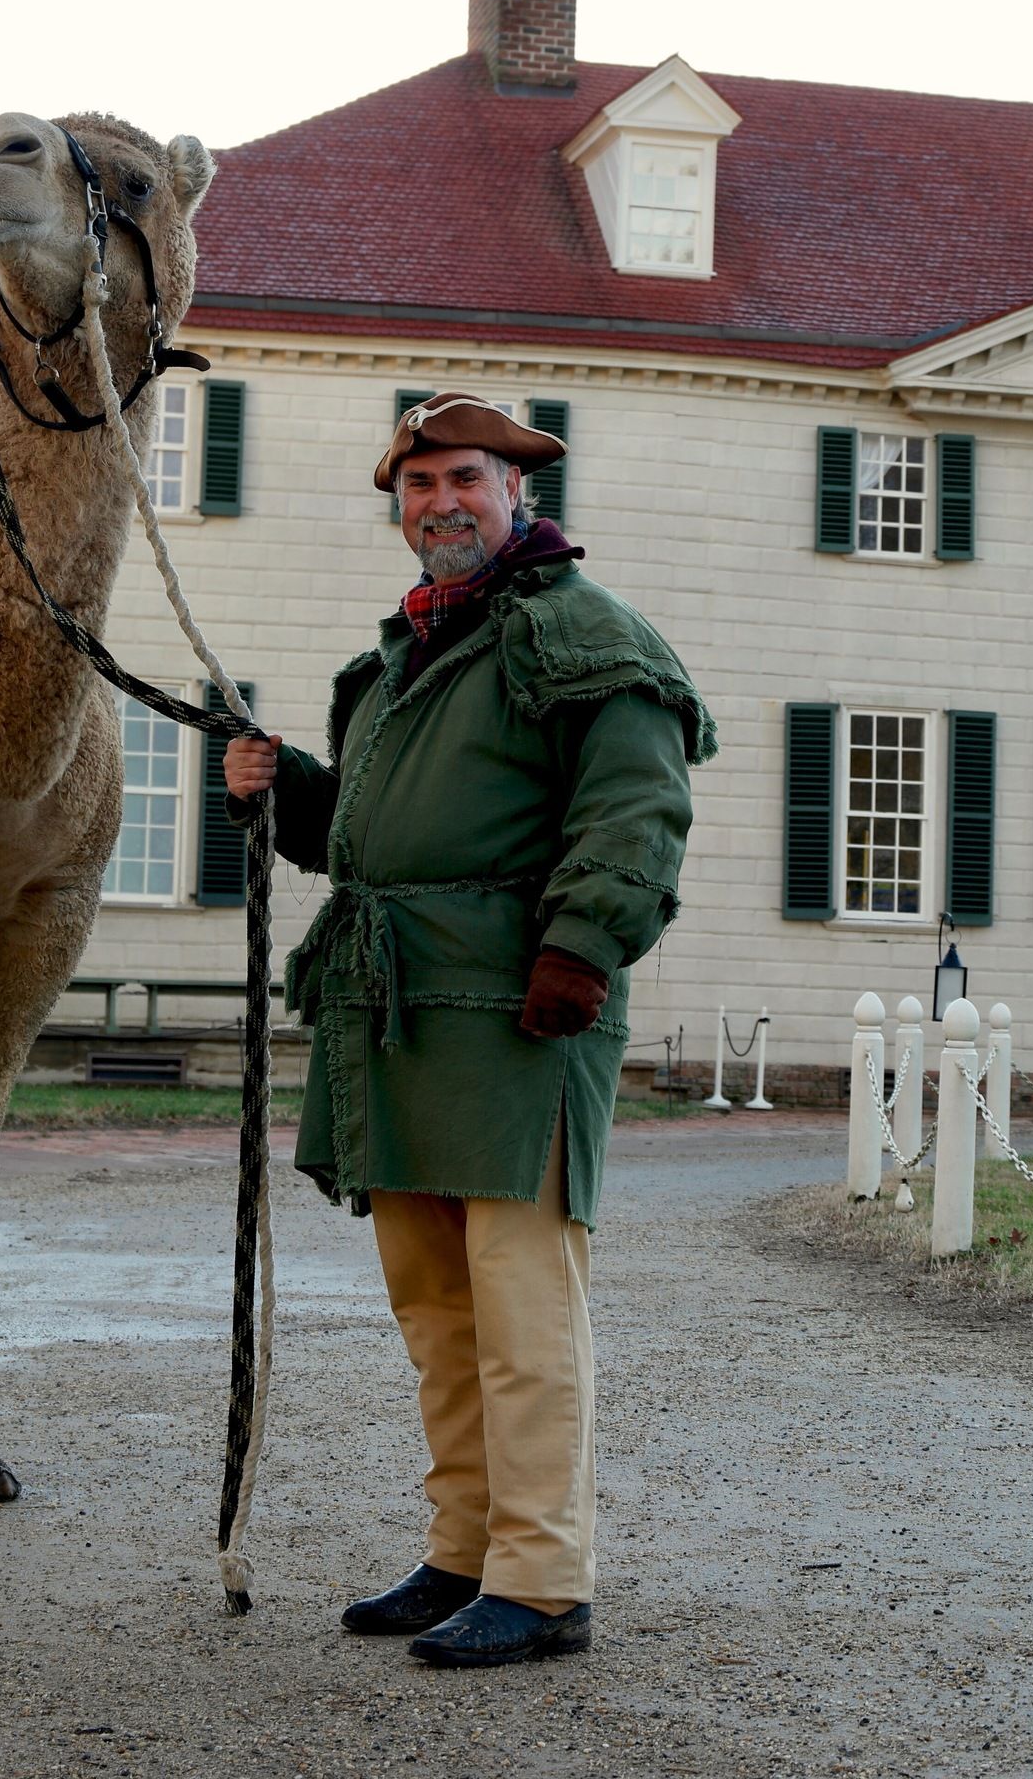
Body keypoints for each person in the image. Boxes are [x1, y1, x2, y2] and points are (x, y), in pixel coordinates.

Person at [222, 391, 713, 1667]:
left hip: (517, 1006)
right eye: (419, 482)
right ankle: (464, 1549)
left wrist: (579, 948)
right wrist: (289, 785)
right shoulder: (409, 655)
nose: (441, 500)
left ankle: (543, 1577)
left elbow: (636, 806)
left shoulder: (585, 633)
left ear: (518, 493)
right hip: (397, 1009)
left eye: (466, 479)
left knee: (521, 1308)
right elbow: (365, 840)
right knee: (437, 1306)